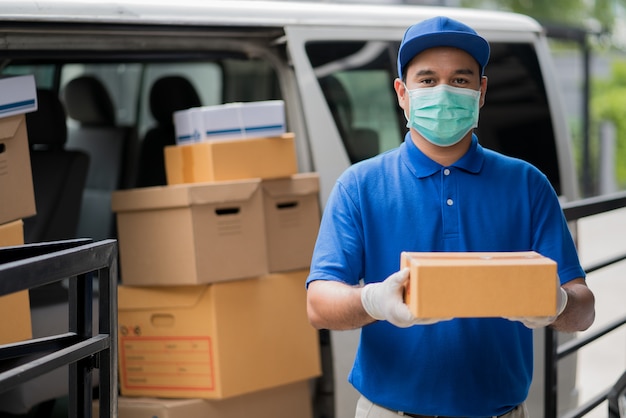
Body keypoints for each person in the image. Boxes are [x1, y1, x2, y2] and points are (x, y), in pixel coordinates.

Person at [306, 16, 595, 418]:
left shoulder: (528, 185)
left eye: (460, 80)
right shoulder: (360, 185)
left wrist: (557, 303)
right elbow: (319, 304)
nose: (443, 92)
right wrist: (372, 301)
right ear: (402, 93)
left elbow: (584, 308)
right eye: (427, 80)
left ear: (481, 91)